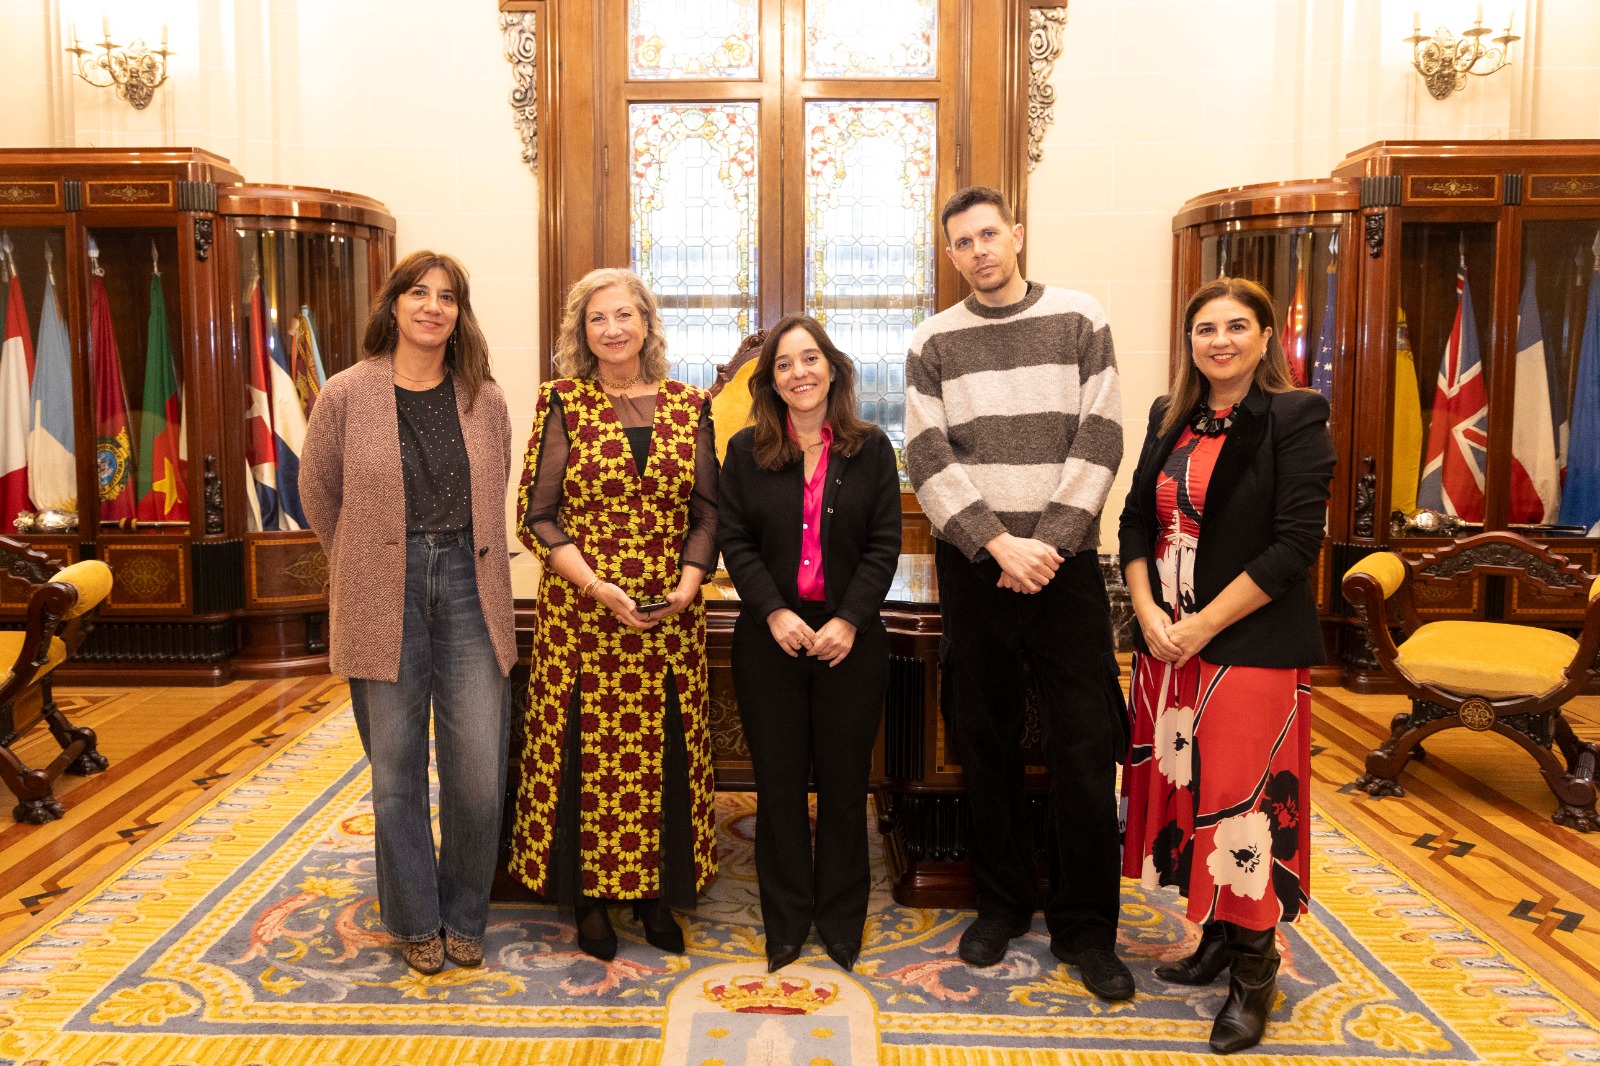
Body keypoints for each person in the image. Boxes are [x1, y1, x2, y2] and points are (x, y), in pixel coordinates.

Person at [903, 186, 1131, 999]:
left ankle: (1086, 927)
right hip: (978, 566)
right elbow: (925, 454)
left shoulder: (1079, 318)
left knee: (1080, 751)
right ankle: (999, 904)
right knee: (985, 744)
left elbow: (1101, 433)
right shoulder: (932, 340)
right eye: (962, 243)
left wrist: (1047, 546)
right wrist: (997, 543)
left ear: (1018, 235)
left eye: (990, 235)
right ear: (952, 254)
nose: (979, 251)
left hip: (1064, 568)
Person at [1118, 276, 1335, 1054]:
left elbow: (1293, 545)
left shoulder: (1294, 415)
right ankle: (1212, 936)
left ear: (1266, 336)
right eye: (1205, 329)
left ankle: (1254, 971)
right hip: (1167, 649)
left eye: (1237, 326)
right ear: (1190, 343)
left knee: (1243, 808)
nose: (1220, 340)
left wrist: (1203, 624)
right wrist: (1148, 615)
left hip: (1245, 646)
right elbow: (1135, 520)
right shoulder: (1168, 418)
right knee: (1190, 798)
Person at [301, 250, 515, 976]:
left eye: (447, 297)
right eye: (418, 293)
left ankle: (465, 914)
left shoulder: (484, 397)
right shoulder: (345, 394)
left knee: (477, 771)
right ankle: (416, 917)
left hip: (469, 583)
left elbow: (496, 492)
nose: (432, 306)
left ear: (460, 313)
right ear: (392, 305)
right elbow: (319, 493)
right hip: (379, 588)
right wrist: (362, 563)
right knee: (395, 770)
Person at [509, 267, 718, 961]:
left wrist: (689, 585)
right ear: (582, 332)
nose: (614, 329)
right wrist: (597, 586)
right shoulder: (562, 401)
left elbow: (709, 511)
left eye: (626, 315)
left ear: (648, 324)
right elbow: (534, 516)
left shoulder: (691, 405)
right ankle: (591, 902)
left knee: (660, 756)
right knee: (588, 760)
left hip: (670, 618)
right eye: (599, 318)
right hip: (584, 617)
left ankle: (655, 896)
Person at [718, 315, 902, 973]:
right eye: (784, 365)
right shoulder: (745, 451)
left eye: (810, 359)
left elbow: (885, 543)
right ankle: (788, 920)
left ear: (832, 367)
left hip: (850, 640)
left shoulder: (871, 447)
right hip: (771, 638)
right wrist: (772, 613)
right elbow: (734, 541)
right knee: (780, 785)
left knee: (846, 784)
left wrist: (849, 620)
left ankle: (842, 919)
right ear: (770, 382)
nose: (799, 373)